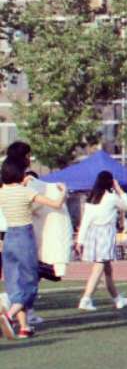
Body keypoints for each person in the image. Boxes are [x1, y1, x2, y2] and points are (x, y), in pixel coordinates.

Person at [1, 146, 66, 340]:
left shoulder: (2, 192)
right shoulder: (26, 192)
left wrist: (23, 183)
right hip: (24, 237)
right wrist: (63, 191)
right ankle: (9, 315)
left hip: (9, 239)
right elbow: (56, 204)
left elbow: (13, 190)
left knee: (14, 283)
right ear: (20, 173)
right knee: (29, 283)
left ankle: (24, 327)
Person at [75, 170, 127, 311]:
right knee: (99, 267)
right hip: (105, 234)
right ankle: (86, 299)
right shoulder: (111, 197)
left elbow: (85, 222)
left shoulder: (91, 199)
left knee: (107, 269)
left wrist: (80, 241)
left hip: (92, 234)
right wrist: (119, 190)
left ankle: (117, 299)